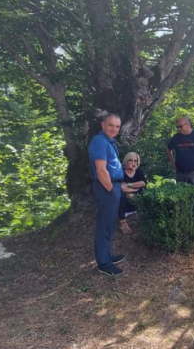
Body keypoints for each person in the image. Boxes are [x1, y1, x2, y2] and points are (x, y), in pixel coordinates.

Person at [88, 113, 126, 276]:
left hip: (113, 187)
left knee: (110, 224)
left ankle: (107, 256)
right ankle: (103, 263)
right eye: (111, 125)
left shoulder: (109, 142)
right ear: (103, 124)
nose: (114, 129)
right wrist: (111, 190)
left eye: (117, 127)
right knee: (104, 225)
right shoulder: (99, 141)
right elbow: (101, 170)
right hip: (106, 188)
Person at [118, 152, 148, 234]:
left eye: (135, 161)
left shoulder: (138, 171)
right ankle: (122, 221)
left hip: (136, 201)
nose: (133, 163)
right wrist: (135, 189)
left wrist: (129, 185)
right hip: (125, 202)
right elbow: (121, 187)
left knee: (145, 189)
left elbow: (143, 183)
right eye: (130, 161)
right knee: (120, 194)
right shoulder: (120, 171)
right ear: (126, 161)